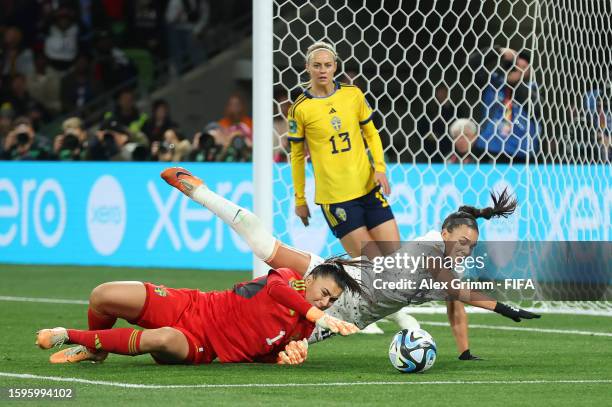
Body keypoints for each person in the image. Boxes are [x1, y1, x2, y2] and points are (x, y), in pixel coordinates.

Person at [164, 168, 541, 361]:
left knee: (266, 343)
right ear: (445, 233)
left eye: (471, 246)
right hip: (339, 285)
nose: (464, 249)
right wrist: (500, 306)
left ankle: (182, 324)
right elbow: (455, 290)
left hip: (345, 305)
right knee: (266, 248)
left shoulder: (447, 264)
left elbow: (454, 304)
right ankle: (200, 191)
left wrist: (463, 351)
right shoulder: (431, 248)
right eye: (461, 241)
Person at [35, 169, 363, 366]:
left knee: (161, 340)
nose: (324, 303)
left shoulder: (301, 331)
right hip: (194, 304)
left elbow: (261, 353)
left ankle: (72, 336)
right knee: (103, 295)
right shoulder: (289, 281)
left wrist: (286, 356)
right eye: (324, 294)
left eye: (331, 302)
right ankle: (97, 351)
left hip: (201, 344)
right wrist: (319, 316)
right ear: (309, 280)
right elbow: (277, 290)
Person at [288, 41, 410, 334]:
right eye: (317, 65)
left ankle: (384, 310)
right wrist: (300, 198)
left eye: (327, 65)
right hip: (336, 200)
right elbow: (295, 156)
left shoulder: (353, 95)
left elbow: (371, 133)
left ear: (335, 67)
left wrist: (380, 168)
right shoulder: (300, 109)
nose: (322, 70)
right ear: (308, 68)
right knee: (372, 264)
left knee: (397, 259)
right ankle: (366, 315)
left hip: (368, 189)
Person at [450, 46, 540, 163]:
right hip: (488, 150)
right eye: (514, 66)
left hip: (520, 155)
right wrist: (497, 51)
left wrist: (516, 84)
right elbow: (470, 64)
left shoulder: (533, 91)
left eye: (523, 68)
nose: (517, 70)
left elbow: (536, 110)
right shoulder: (493, 84)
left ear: (529, 72)